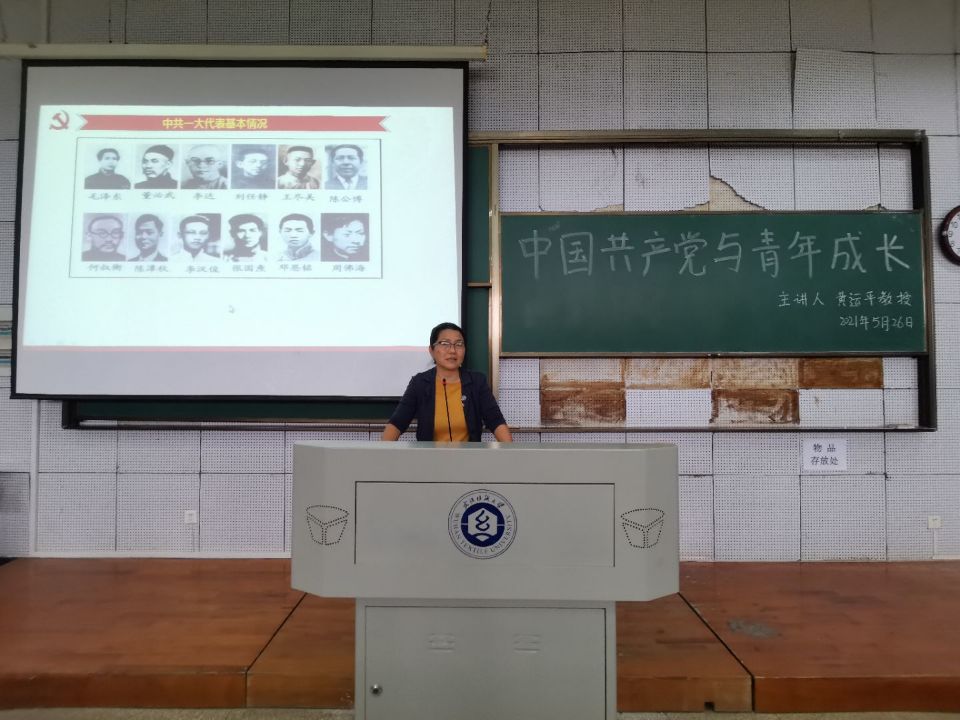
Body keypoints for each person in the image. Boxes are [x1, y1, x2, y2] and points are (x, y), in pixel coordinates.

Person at [382, 323, 513, 443]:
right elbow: (397, 424)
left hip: (468, 457)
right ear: (432, 350)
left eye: (459, 344)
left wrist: (510, 453)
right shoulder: (420, 383)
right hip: (430, 458)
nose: (452, 350)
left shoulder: (477, 382)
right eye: (445, 343)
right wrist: (382, 453)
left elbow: (496, 422)